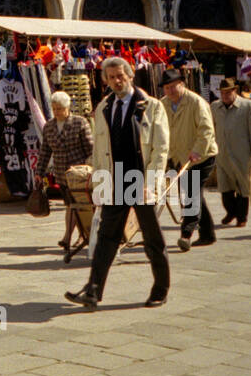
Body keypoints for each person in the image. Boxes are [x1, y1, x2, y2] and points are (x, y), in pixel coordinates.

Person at [64, 56, 171, 310]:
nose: (116, 81)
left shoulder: (151, 106)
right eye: (111, 77)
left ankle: (160, 289)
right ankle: (92, 291)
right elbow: (100, 152)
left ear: (130, 75)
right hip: (115, 179)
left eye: (120, 75)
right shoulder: (103, 108)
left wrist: (151, 182)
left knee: (152, 237)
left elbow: (161, 148)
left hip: (140, 179)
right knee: (106, 238)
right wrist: (100, 184)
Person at [159, 68, 217, 251]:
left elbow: (206, 130)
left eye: (173, 87)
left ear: (181, 84)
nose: (170, 91)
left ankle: (186, 233)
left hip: (202, 156)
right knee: (193, 193)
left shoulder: (196, 102)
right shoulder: (163, 105)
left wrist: (197, 150)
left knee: (191, 193)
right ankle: (208, 234)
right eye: (167, 88)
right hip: (179, 157)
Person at [35, 90, 92, 256]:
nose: (57, 112)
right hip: (61, 174)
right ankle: (79, 235)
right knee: (70, 205)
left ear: (68, 108)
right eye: (54, 109)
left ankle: (69, 236)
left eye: (60, 108)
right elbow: (45, 151)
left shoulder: (80, 123)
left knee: (77, 205)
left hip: (79, 174)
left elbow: (91, 149)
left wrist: (90, 168)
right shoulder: (49, 126)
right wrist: (40, 172)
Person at [211, 78, 251, 227]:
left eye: (228, 92)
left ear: (235, 91)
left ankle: (242, 217)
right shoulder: (215, 107)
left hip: (242, 153)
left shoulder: (247, 106)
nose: (225, 96)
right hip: (222, 153)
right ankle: (231, 211)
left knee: (243, 187)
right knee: (224, 186)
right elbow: (211, 129)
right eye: (222, 93)